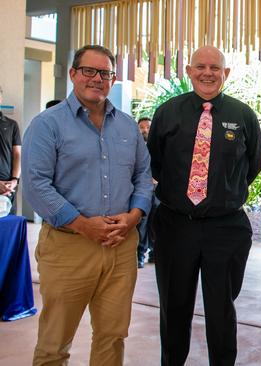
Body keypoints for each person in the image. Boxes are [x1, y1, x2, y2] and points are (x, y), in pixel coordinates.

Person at [21, 44, 153, 365]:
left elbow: (143, 175)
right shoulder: (47, 125)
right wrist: (83, 224)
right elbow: (36, 185)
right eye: (89, 71)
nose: (97, 79)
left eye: (105, 73)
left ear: (112, 78)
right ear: (73, 74)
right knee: (54, 344)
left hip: (121, 247)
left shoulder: (126, 126)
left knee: (112, 337)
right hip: (69, 246)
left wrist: (134, 216)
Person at [148, 45, 261, 365]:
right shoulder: (167, 112)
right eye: (201, 67)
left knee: (221, 309)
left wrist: (221, 194)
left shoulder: (243, 115)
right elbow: (155, 163)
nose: (208, 73)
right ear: (188, 71)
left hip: (225, 227)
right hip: (175, 225)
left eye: (216, 68)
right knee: (174, 307)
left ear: (225, 74)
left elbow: (253, 165)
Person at [136, 116, 157, 268]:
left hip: (157, 190)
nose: (145, 130)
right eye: (142, 127)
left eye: (148, 127)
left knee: (156, 222)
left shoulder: (158, 146)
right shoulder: (134, 146)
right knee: (141, 222)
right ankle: (139, 255)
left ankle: (155, 253)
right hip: (142, 190)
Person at [0, 85, 21, 215]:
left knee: (8, 225)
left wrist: (14, 180)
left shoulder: (11, 124)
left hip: (9, 185)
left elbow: (17, 154)